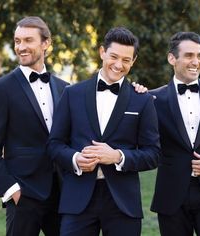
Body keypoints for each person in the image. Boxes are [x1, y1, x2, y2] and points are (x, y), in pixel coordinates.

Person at [47, 27, 160, 236]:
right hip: (78, 200)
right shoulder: (72, 94)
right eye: (114, 56)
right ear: (102, 52)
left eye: (126, 60)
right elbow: (54, 144)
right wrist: (75, 159)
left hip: (123, 202)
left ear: (133, 61)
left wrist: (118, 156)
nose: (118, 65)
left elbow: (153, 154)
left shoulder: (142, 100)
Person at [0, 16, 69, 236]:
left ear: (46, 43)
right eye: (17, 41)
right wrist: (11, 190)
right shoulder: (1, 89)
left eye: (28, 40)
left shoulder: (64, 89)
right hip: (24, 195)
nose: (21, 47)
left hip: (62, 193)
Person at [150, 31, 200, 236]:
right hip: (171, 195)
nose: (196, 62)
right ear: (172, 58)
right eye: (189, 55)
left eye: (199, 56)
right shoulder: (152, 99)